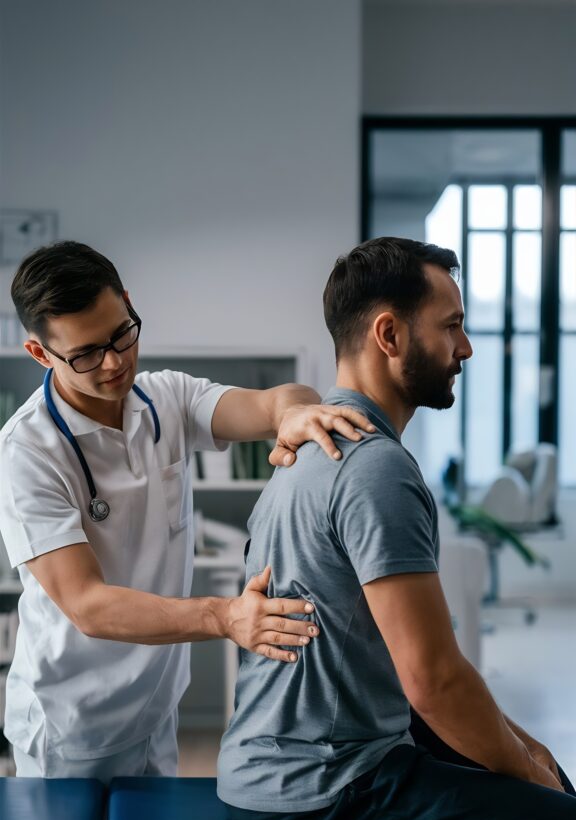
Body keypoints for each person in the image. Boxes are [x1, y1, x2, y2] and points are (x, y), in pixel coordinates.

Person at [218, 236, 576, 820]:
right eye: (450, 326)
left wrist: (526, 750)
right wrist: (527, 770)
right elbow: (433, 680)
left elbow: (408, 673)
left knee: (544, 800)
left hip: (279, 767)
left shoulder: (304, 451)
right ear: (389, 334)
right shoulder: (374, 466)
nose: (467, 347)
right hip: (325, 787)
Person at [0, 240, 375, 783]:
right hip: (72, 722)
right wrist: (224, 617)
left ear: (127, 304)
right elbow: (89, 606)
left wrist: (295, 414)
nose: (114, 362)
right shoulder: (27, 451)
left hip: (154, 707)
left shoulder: (166, 397)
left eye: (122, 334)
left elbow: (276, 399)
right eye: (85, 354)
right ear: (40, 354)